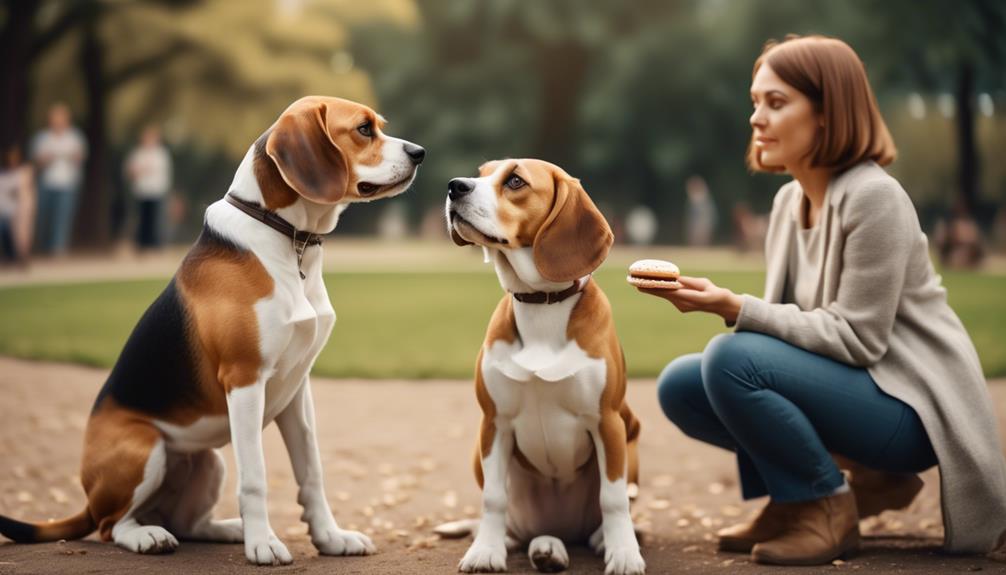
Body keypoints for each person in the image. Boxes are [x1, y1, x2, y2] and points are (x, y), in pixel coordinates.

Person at [637, 35, 1006, 566]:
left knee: (730, 360)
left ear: (829, 115)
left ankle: (825, 507)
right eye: (755, 102)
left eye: (777, 103)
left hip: (911, 407)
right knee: (682, 385)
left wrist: (733, 307)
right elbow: (779, 341)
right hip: (859, 395)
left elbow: (858, 339)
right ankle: (795, 501)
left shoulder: (874, 197)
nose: (756, 118)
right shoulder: (789, 201)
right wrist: (737, 311)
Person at [31, 103, 87, 256]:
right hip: (46, 183)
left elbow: (80, 157)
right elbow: (37, 161)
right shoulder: (42, 137)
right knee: (44, 217)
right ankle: (43, 248)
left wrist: (71, 157)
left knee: (62, 218)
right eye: (55, 118)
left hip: (67, 183)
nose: (58, 121)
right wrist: (47, 159)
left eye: (61, 118)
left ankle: (58, 249)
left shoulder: (75, 137)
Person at [124, 125, 173, 251]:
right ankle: (141, 245)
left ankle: (155, 245)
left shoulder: (161, 154)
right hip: (141, 191)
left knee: (155, 220)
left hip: (156, 191)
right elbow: (131, 171)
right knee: (142, 220)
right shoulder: (137, 153)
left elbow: (162, 172)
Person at [0, 145, 35, 265]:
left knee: (22, 234)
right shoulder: (3, 174)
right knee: (6, 233)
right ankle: (9, 257)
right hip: (5, 208)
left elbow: (23, 189)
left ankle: (23, 258)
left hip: (21, 208)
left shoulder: (24, 171)